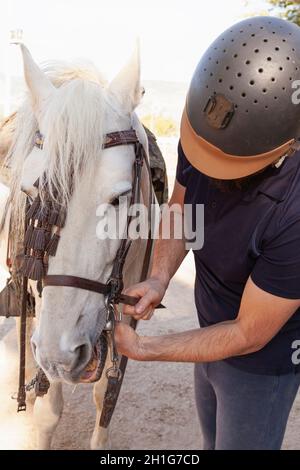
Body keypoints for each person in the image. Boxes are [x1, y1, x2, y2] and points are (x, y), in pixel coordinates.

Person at [115, 16, 300, 450]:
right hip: (210, 332)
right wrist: (159, 277)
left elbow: (247, 334)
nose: (212, 170)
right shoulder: (207, 130)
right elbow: (181, 209)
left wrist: (148, 349)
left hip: (260, 364)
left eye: (230, 164)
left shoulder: (294, 212)